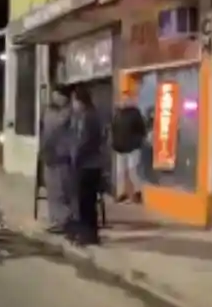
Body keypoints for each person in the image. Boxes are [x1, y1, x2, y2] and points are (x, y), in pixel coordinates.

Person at [70, 85, 106, 246]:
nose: (73, 104)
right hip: (93, 164)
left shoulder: (87, 117)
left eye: (74, 101)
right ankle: (90, 235)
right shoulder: (92, 114)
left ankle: (87, 235)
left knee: (85, 202)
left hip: (87, 165)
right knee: (89, 202)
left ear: (80, 101)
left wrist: (75, 156)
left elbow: (84, 141)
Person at [39, 86, 74, 234]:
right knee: (53, 191)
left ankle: (63, 221)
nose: (55, 98)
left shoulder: (68, 113)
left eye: (58, 95)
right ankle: (56, 219)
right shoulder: (50, 112)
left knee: (61, 190)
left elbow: (57, 128)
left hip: (61, 157)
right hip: (50, 156)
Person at [110, 97, 147, 203]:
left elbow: (141, 130)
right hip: (119, 147)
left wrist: (137, 141)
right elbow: (114, 129)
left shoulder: (135, 114)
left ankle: (137, 192)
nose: (122, 102)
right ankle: (122, 193)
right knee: (120, 172)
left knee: (132, 171)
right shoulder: (118, 114)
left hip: (132, 147)